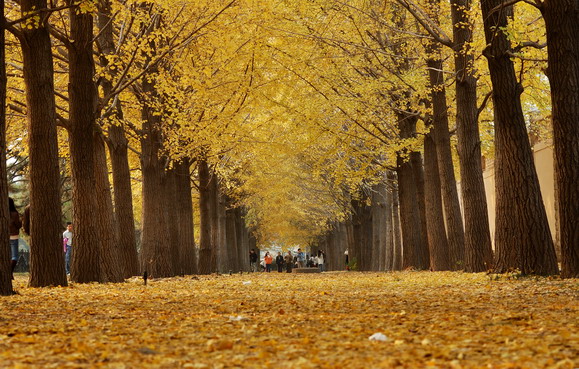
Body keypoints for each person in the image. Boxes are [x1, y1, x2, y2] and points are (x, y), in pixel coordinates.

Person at [8, 198, 22, 278]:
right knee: (14, 256)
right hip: (13, 236)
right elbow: (18, 225)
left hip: (4, 237)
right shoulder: (14, 213)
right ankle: (10, 272)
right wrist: (21, 222)